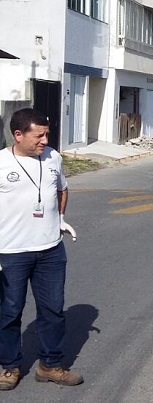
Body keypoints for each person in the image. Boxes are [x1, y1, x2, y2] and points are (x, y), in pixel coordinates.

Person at [0, 108, 83, 390]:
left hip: (50, 250)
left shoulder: (53, 158)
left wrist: (59, 218)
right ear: (18, 134)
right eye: (39, 135)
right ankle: (9, 367)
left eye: (47, 134)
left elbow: (62, 188)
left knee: (53, 310)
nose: (45, 141)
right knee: (9, 312)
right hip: (10, 253)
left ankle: (50, 365)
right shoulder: (1, 163)